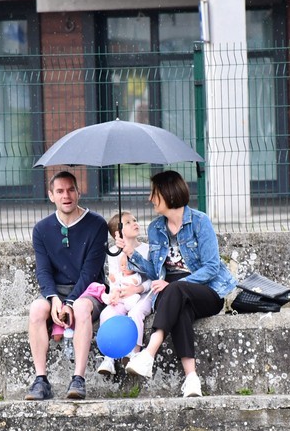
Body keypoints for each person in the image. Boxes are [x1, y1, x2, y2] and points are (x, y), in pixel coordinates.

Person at [124, 170, 236, 397]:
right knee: (180, 310)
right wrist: (131, 253)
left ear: (168, 193)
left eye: (154, 193)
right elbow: (156, 272)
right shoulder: (155, 228)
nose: (150, 199)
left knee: (175, 288)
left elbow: (212, 267)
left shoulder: (200, 222)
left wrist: (178, 283)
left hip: (206, 290)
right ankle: (192, 379)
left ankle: (149, 353)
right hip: (171, 293)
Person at [26, 171, 108, 401]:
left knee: (81, 308)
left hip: (88, 290)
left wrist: (70, 302)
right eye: (60, 191)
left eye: (71, 189)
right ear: (51, 195)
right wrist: (53, 299)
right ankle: (41, 380)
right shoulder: (42, 229)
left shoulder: (97, 224)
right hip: (57, 291)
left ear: (79, 192)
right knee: (36, 310)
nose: (66, 195)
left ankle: (78, 379)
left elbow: (90, 271)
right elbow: (43, 270)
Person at [95, 212, 153, 376]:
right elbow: (114, 278)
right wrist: (114, 292)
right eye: (128, 222)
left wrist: (137, 289)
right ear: (118, 233)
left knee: (136, 313)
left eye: (135, 220)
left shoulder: (146, 249)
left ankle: (134, 353)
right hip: (122, 295)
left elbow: (152, 279)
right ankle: (109, 358)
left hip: (143, 294)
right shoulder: (113, 252)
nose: (135, 223)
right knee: (107, 314)